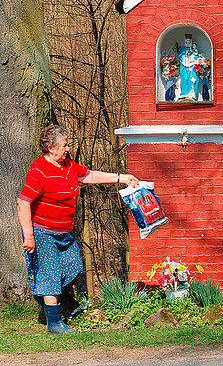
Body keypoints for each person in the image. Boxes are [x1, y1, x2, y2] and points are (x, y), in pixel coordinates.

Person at [17, 124, 139, 334]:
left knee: (74, 266)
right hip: (42, 231)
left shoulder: (69, 166)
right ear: (50, 148)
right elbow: (23, 202)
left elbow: (89, 176)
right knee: (50, 273)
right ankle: (54, 324)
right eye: (64, 146)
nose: (67, 149)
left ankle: (44, 295)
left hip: (65, 232)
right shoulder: (39, 170)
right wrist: (29, 235)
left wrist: (121, 178)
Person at [178, 34, 200, 101]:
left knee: (192, 79)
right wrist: (186, 56)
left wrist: (192, 57)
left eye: (189, 41)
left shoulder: (194, 50)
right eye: (187, 41)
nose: (188, 42)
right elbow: (181, 57)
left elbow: (197, 58)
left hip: (192, 67)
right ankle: (184, 94)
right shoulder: (183, 49)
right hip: (185, 67)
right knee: (184, 79)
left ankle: (192, 95)